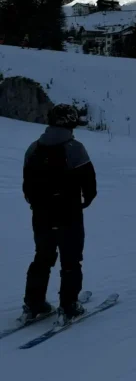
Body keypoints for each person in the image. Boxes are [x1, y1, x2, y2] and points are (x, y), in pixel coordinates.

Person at [21, 104, 97, 323]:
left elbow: (26, 187)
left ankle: (33, 304)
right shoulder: (75, 148)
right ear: (70, 123)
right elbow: (89, 184)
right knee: (71, 260)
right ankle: (69, 305)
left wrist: (37, 204)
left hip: (41, 215)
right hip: (69, 214)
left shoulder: (33, 148)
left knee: (42, 257)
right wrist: (85, 201)